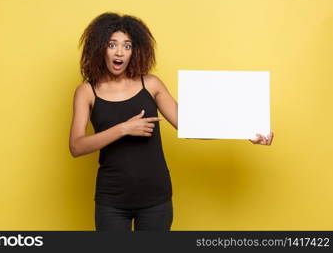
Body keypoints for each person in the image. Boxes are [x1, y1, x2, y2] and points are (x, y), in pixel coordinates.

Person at [68, 12, 274, 231]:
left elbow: (191, 124)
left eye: (127, 46)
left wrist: (247, 131)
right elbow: (76, 146)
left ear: (135, 50)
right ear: (100, 47)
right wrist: (124, 128)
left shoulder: (151, 84)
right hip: (111, 200)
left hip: (155, 199)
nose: (120, 52)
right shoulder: (87, 92)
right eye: (112, 45)